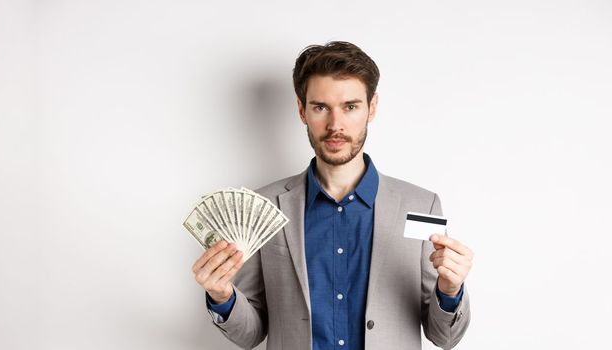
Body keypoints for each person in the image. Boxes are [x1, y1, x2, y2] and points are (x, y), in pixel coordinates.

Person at [190, 41, 473, 349]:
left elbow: (444, 337)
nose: (335, 125)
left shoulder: (422, 205)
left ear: (372, 108)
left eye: (350, 107)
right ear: (302, 110)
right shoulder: (263, 206)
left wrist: (450, 289)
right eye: (321, 107)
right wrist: (222, 297)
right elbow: (250, 334)